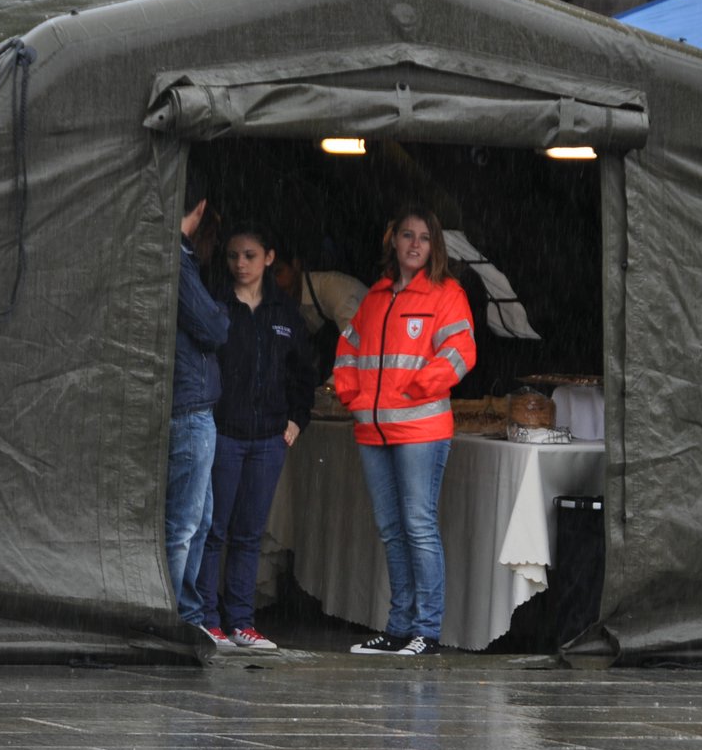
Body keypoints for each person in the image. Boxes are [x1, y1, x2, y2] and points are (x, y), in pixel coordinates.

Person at [334, 206, 476, 657]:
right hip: (373, 431)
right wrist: (350, 393)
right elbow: (348, 348)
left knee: (417, 526)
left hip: (421, 428)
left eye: (424, 238)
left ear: (435, 246)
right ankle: (398, 628)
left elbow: (461, 352)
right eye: (407, 236)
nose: (415, 244)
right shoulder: (375, 297)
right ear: (392, 241)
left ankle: (425, 631)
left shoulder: (446, 294)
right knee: (393, 530)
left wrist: (418, 386)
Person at [193, 226, 314, 651]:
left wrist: (298, 419)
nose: (240, 264)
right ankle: (208, 618)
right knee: (213, 529)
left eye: (249, 255)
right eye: (232, 256)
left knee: (248, 532)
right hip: (224, 433)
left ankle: (241, 621)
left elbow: (303, 371)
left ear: (268, 258)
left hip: (268, 439)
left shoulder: (284, 312)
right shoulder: (217, 305)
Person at [165, 167, 230, 635]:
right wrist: (221, 314)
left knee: (200, 521)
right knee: (185, 525)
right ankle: (177, 617)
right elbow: (213, 327)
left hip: (192, 406)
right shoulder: (177, 260)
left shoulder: (175, 256)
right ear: (201, 210)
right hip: (190, 409)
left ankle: (186, 612)